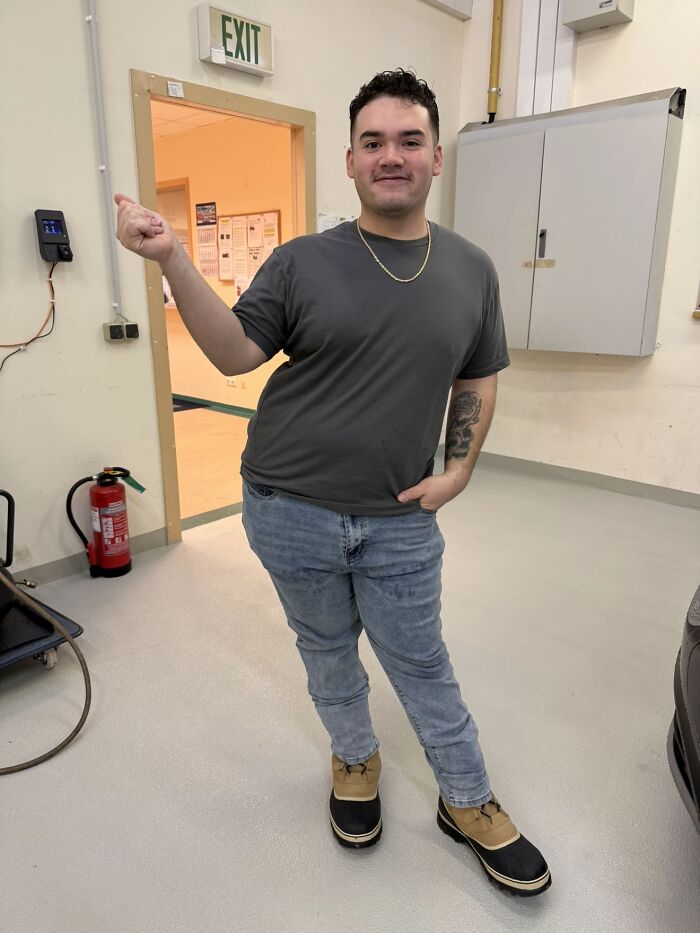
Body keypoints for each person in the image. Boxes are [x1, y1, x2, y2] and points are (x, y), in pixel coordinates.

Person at [115, 69, 551, 898]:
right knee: (324, 650)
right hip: (287, 507)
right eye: (373, 141)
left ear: (436, 158)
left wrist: (459, 468)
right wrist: (170, 257)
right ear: (349, 160)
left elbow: (477, 373)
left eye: (410, 140)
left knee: (421, 663)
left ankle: (467, 799)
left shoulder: (472, 269)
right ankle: (355, 758)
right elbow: (234, 354)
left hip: (399, 518)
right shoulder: (302, 262)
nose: (392, 155)